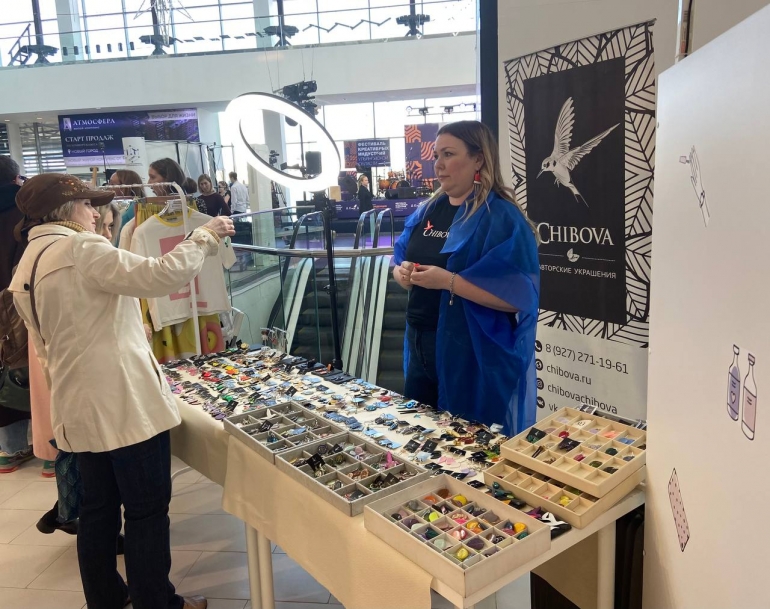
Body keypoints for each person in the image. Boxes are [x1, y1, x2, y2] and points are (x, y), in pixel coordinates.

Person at [10, 173, 234, 609]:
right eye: (87, 205)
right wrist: (204, 236)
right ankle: (157, 602)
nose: (96, 214)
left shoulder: (30, 259)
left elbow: (47, 344)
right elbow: (160, 276)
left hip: (76, 405)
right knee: (146, 510)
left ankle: (107, 599)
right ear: (64, 210)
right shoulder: (80, 248)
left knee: (98, 511)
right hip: (124, 406)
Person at [392, 121, 540, 435]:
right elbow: (399, 259)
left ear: (478, 159)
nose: (438, 164)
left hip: (470, 351)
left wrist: (449, 282)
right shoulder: (428, 210)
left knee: (467, 441)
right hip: (419, 341)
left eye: (448, 154)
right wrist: (401, 273)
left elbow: (519, 298)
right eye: (436, 155)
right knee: (419, 433)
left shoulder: (500, 218)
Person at [0, 156, 34, 474]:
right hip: (16, 301)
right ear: (15, 179)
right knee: (28, 369)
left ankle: (9, 448)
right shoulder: (25, 212)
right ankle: (48, 447)